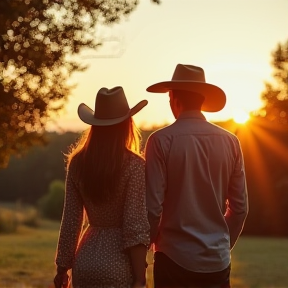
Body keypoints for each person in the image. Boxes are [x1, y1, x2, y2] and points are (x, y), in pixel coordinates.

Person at [144, 64, 249, 288]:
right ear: (202, 99)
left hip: (173, 258)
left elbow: (153, 209)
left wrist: (145, 248)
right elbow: (240, 208)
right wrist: (219, 244)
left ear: (173, 98)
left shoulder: (160, 140)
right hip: (217, 263)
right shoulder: (231, 142)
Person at [54, 86, 150, 288]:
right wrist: (140, 278)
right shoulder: (135, 165)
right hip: (119, 263)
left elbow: (71, 220)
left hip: (85, 259)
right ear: (127, 125)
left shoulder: (78, 163)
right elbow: (134, 224)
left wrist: (62, 268)